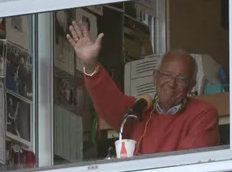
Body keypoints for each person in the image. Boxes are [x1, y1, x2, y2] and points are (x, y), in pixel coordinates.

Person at [66, 21, 220, 156]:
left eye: (181, 79)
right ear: (155, 77)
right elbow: (109, 101)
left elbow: (187, 163)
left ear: (191, 86)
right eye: (166, 75)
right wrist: (90, 64)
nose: (172, 84)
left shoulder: (203, 113)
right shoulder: (138, 112)